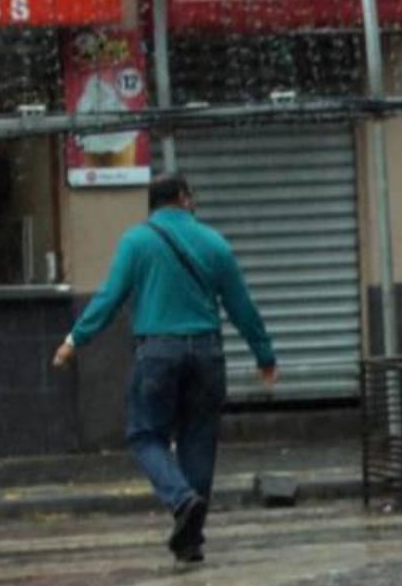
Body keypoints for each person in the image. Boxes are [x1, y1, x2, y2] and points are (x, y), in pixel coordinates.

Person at [50, 173, 278, 564]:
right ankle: (191, 541)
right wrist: (264, 356)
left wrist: (74, 341)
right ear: (184, 198)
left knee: (144, 434)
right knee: (198, 440)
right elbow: (242, 306)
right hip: (207, 353)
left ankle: (180, 498)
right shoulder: (214, 243)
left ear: (152, 204)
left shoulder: (136, 242)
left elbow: (109, 298)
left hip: (157, 353)